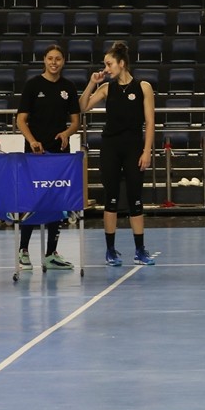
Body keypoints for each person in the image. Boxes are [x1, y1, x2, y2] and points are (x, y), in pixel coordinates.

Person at [79, 41, 156, 267]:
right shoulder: (106, 88)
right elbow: (82, 107)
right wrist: (92, 84)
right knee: (110, 199)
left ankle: (139, 250)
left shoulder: (143, 87)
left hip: (134, 148)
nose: (106, 68)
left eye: (109, 64)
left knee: (135, 198)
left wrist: (147, 151)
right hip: (110, 147)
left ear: (121, 63)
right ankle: (110, 250)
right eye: (105, 64)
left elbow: (150, 123)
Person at [16, 43, 80, 271]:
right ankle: (23, 251)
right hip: (35, 153)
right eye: (50, 58)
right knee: (32, 200)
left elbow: (76, 121)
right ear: (44, 60)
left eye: (58, 59)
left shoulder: (68, 87)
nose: (54, 62)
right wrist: (32, 140)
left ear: (63, 62)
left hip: (59, 154)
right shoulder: (33, 85)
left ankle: (51, 254)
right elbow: (21, 119)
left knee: (56, 201)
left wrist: (67, 133)